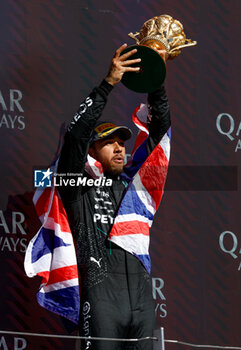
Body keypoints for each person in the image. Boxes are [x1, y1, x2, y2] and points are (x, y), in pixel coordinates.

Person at [57, 43, 171, 350]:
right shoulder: (76, 186)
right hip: (102, 301)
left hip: (143, 304)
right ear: (92, 152)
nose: (120, 147)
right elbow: (76, 136)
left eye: (122, 142)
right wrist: (108, 83)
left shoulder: (134, 186)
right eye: (109, 143)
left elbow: (160, 133)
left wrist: (155, 81)